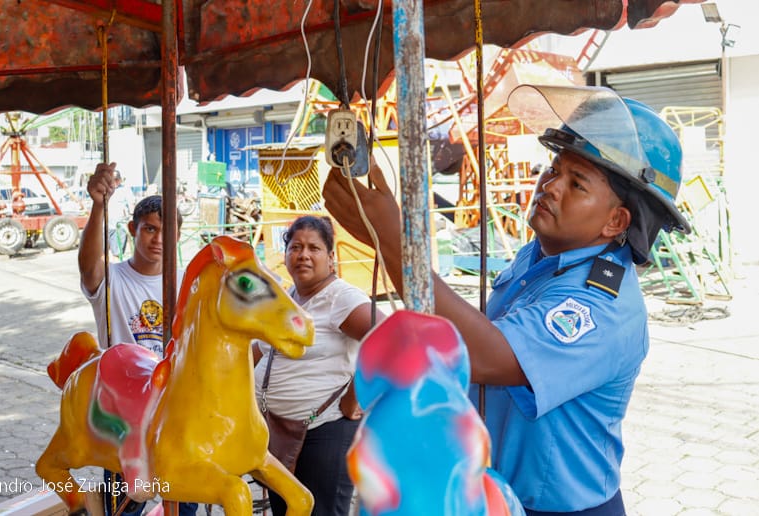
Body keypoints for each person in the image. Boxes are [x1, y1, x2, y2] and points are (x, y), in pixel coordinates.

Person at [322, 84, 690, 516]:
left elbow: (486, 354)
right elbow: (483, 331)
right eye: (554, 169)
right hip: (493, 494)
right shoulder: (543, 255)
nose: (550, 187)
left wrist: (398, 243)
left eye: (576, 184)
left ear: (616, 221)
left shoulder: (601, 306)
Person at [79, 162, 196, 516]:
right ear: (133, 229)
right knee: (124, 508)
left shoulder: (186, 282)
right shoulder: (111, 279)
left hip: (176, 412)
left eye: (166, 230)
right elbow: (88, 266)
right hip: (123, 415)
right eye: (149, 229)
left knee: (185, 503)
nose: (158, 238)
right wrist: (99, 204)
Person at [253, 215, 384, 516]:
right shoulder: (287, 298)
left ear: (330, 256)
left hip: (325, 432)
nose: (303, 255)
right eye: (296, 247)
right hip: (279, 434)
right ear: (285, 255)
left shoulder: (341, 297)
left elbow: (388, 337)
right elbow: (258, 351)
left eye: (314, 248)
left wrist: (355, 396)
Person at [106, 169, 135, 259]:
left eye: (116, 179)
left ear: (119, 180)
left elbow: (132, 206)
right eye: (112, 179)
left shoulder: (125, 190)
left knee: (117, 252)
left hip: (119, 226)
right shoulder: (106, 190)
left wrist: (131, 216)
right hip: (106, 225)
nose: (114, 181)